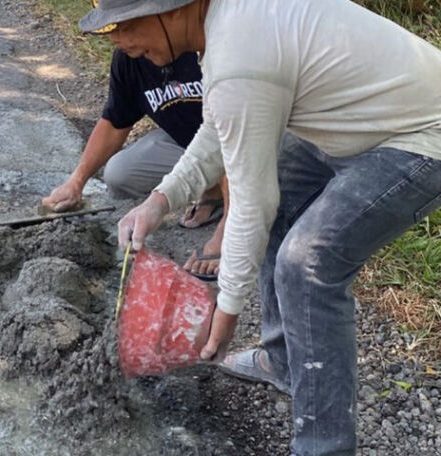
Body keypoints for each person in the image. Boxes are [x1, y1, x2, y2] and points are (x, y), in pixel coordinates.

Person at [79, 0, 441, 454]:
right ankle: (282, 361)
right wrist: (160, 200)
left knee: (307, 266)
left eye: (126, 27)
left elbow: (252, 201)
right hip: (360, 121)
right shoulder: (222, 26)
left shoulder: (238, 55)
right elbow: (218, 128)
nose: (120, 43)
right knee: (287, 201)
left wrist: (226, 309)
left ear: (170, 10)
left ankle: (323, 447)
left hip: (420, 135)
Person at [41, 48, 227, 280]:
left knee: (237, 163)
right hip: (189, 140)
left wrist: (226, 236)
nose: (118, 39)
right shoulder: (129, 55)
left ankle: (230, 212)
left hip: (243, 141)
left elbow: (237, 139)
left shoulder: (210, 47)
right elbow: (114, 122)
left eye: (126, 28)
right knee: (119, 173)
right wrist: (76, 181)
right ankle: (214, 189)